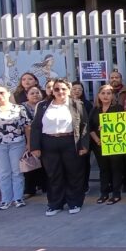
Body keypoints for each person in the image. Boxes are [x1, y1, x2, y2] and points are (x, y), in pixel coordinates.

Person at [30, 78, 90, 216]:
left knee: (73, 174)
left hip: (70, 141)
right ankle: (55, 204)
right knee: (53, 175)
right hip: (48, 143)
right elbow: (36, 127)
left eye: (63, 89)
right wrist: (35, 147)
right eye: (56, 89)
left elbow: (84, 125)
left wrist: (84, 145)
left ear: (68, 90)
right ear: (52, 91)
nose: (60, 92)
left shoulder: (77, 104)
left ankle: (74, 202)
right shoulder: (43, 105)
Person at [88, 84, 125, 205]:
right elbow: (90, 128)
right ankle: (104, 193)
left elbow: (124, 126)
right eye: (103, 93)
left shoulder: (118, 108)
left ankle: (116, 194)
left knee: (116, 169)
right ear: (98, 95)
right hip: (99, 145)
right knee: (103, 169)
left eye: (109, 93)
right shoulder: (95, 109)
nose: (105, 96)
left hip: (115, 144)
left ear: (113, 96)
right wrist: (97, 140)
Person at [21, 86, 46, 198]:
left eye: (37, 92)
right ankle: (30, 189)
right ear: (27, 95)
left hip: (45, 137)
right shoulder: (22, 107)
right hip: (29, 138)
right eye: (32, 93)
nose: (35, 95)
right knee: (30, 163)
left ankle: (44, 185)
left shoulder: (46, 105)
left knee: (45, 163)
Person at [71, 81, 93, 194]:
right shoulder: (67, 104)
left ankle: (85, 185)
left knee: (84, 163)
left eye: (79, 89)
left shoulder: (87, 104)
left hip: (84, 137)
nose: (77, 91)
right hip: (71, 139)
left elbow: (88, 122)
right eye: (74, 89)